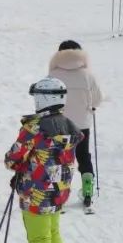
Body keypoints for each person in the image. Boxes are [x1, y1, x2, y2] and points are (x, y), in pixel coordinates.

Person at [4, 77, 83, 243]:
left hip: (36, 194)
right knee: (53, 235)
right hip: (58, 192)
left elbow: (13, 158)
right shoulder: (69, 125)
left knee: (39, 239)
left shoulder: (34, 128)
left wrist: (18, 166)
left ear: (42, 98)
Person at [48, 41, 103, 208]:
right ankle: (87, 186)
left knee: (59, 159)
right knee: (83, 155)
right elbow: (97, 98)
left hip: (59, 124)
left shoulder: (53, 75)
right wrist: (90, 106)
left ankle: (59, 193)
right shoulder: (88, 75)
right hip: (82, 123)